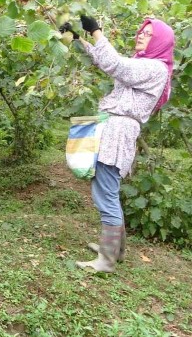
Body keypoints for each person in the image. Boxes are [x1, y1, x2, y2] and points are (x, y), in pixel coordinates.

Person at [60, 15, 174, 273]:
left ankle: (107, 261)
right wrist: (79, 40)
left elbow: (116, 65)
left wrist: (96, 31)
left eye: (148, 33)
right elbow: (104, 62)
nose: (141, 35)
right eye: (141, 31)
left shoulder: (155, 68)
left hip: (118, 132)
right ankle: (116, 251)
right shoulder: (142, 65)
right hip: (114, 129)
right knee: (108, 190)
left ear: (160, 41)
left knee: (105, 195)